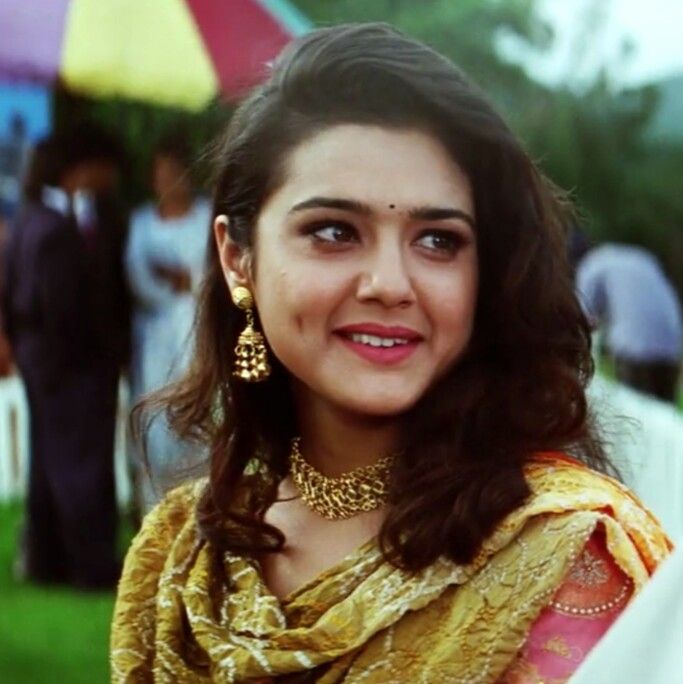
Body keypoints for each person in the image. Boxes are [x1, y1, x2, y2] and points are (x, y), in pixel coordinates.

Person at [111, 24, 671, 682]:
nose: (389, 285)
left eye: (437, 241)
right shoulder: (181, 554)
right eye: (332, 231)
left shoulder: (563, 555)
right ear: (238, 259)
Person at [1, 123, 128, 588]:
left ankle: (48, 560)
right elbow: (58, 307)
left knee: (48, 464)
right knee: (81, 465)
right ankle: (92, 567)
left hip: (41, 363)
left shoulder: (30, 219)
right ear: (82, 168)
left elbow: (10, 291)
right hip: (71, 366)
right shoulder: (55, 229)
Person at [125, 133, 210, 513]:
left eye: (175, 172)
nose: (168, 180)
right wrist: (172, 283)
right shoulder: (141, 223)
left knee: (200, 417)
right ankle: (155, 513)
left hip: (199, 332)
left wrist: (185, 279)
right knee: (156, 421)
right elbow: (138, 278)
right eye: (160, 173)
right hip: (155, 339)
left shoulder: (206, 217)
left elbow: (217, 273)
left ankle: (204, 506)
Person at [577, 243, 682, 403]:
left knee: (636, 418)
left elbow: (582, 314)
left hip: (635, 350)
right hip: (671, 347)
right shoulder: (641, 258)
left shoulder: (592, 264)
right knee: (665, 417)